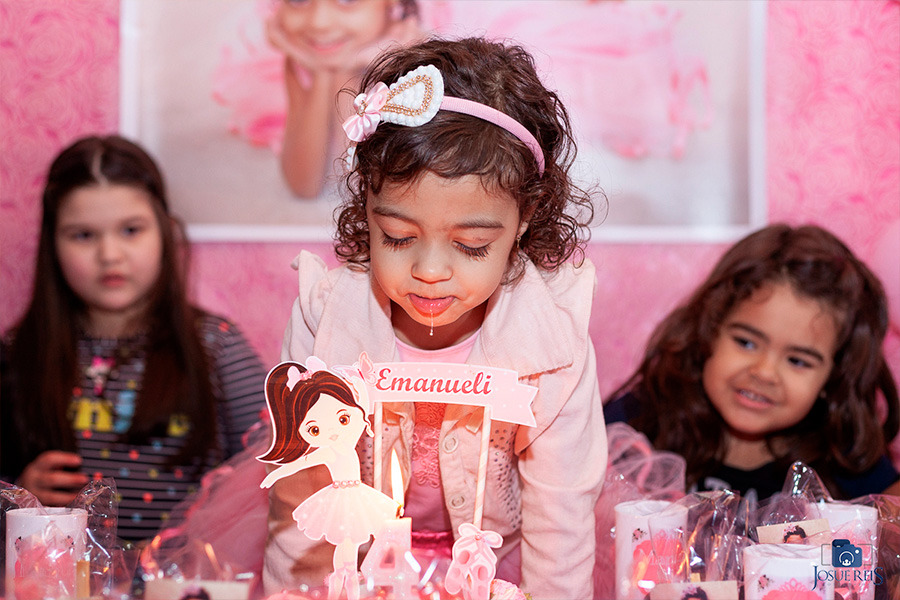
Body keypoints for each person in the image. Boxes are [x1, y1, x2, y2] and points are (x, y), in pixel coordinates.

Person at [264, 37, 607, 599]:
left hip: (501, 566)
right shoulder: (325, 316)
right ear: (366, 208)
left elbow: (561, 518)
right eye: (397, 237)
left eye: (471, 245)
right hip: (361, 567)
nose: (428, 272)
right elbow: (303, 500)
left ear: (525, 219)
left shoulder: (554, 338)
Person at [0, 135, 267, 541]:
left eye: (130, 230)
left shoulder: (216, 346)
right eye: (83, 235)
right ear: (52, 245)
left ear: (163, 230)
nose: (110, 254)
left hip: (183, 583)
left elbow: (273, 468)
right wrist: (17, 498)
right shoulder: (18, 352)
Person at [605, 224, 900, 503]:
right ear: (709, 332)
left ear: (832, 378)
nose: (764, 372)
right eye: (746, 342)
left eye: (797, 361)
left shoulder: (843, 456)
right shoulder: (643, 420)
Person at [259, 360, 397, 599]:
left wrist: (360, 397)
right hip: (340, 499)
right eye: (314, 430)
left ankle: (350, 582)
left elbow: (360, 407)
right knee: (345, 549)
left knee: (351, 549)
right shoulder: (328, 450)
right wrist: (277, 474)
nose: (333, 432)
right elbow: (301, 463)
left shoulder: (350, 438)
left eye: (343, 419)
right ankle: (341, 585)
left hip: (357, 496)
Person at [262, 0, 422, 198]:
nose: (319, 23)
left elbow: (365, 189)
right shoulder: (303, 60)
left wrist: (350, 72)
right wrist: (325, 72)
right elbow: (303, 186)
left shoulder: (422, 67)